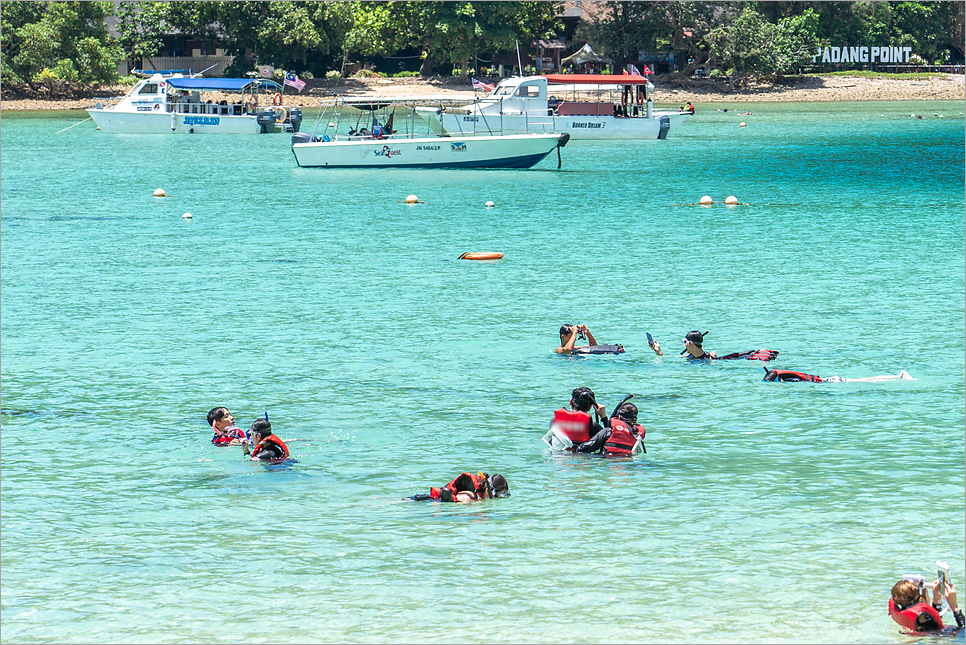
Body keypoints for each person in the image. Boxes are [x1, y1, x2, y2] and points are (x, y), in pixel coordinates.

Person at [889, 574, 964, 632]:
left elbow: (932, 624)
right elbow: (963, 633)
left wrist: (936, 600)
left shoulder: (913, 619)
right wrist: (954, 607)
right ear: (921, 599)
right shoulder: (933, 630)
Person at [549, 387, 611, 453]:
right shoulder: (592, 425)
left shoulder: (555, 420)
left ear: (570, 401)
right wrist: (603, 417)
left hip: (558, 459)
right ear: (590, 407)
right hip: (582, 460)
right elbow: (611, 438)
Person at [650, 330, 777, 362]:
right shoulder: (689, 356)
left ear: (691, 343)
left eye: (685, 342)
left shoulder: (708, 359)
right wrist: (659, 352)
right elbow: (668, 359)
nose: (684, 345)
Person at [410, 472, 509, 502]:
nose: (495, 498)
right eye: (497, 495)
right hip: (422, 501)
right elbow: (457, 499)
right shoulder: (471, 495)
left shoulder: (477, 496)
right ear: (489, 489)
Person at [764, 367, 914, 383]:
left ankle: (900, 376)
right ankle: (898, 376)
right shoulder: (784, 374)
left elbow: (771, 375)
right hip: (830, 380)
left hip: (833, 381)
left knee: (869, 381)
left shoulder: (782, 375)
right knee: (868, 380)